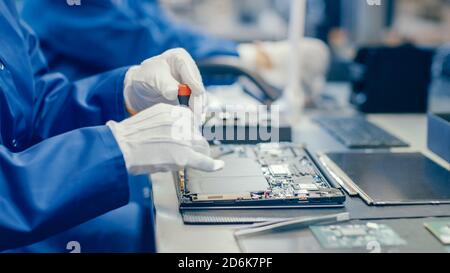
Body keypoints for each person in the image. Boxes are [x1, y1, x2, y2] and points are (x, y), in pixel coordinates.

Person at [0, 0, 222, 252]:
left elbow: (37, 106)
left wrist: (125, 91)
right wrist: (115, 147)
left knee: (152, 224)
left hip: (42, 196)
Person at [21, 0, 239, 81]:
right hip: (74, 129)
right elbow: (146, 47)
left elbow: (160, 26)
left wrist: (237, 52)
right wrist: (240, 56)